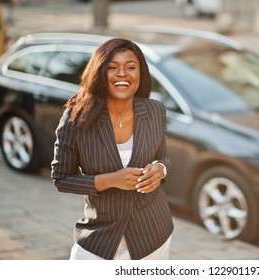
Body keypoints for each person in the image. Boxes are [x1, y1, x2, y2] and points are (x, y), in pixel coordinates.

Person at [51, 37, 174, 260]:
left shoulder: (155, 110)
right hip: (99, 237)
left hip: (154, 236)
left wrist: (160, 170)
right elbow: (61, 178)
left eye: (130, 67)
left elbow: (163, 157)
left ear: (140, 73)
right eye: (112, 68)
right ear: (99, 73)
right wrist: (112, 180)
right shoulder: (75, 118)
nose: (122, 74)